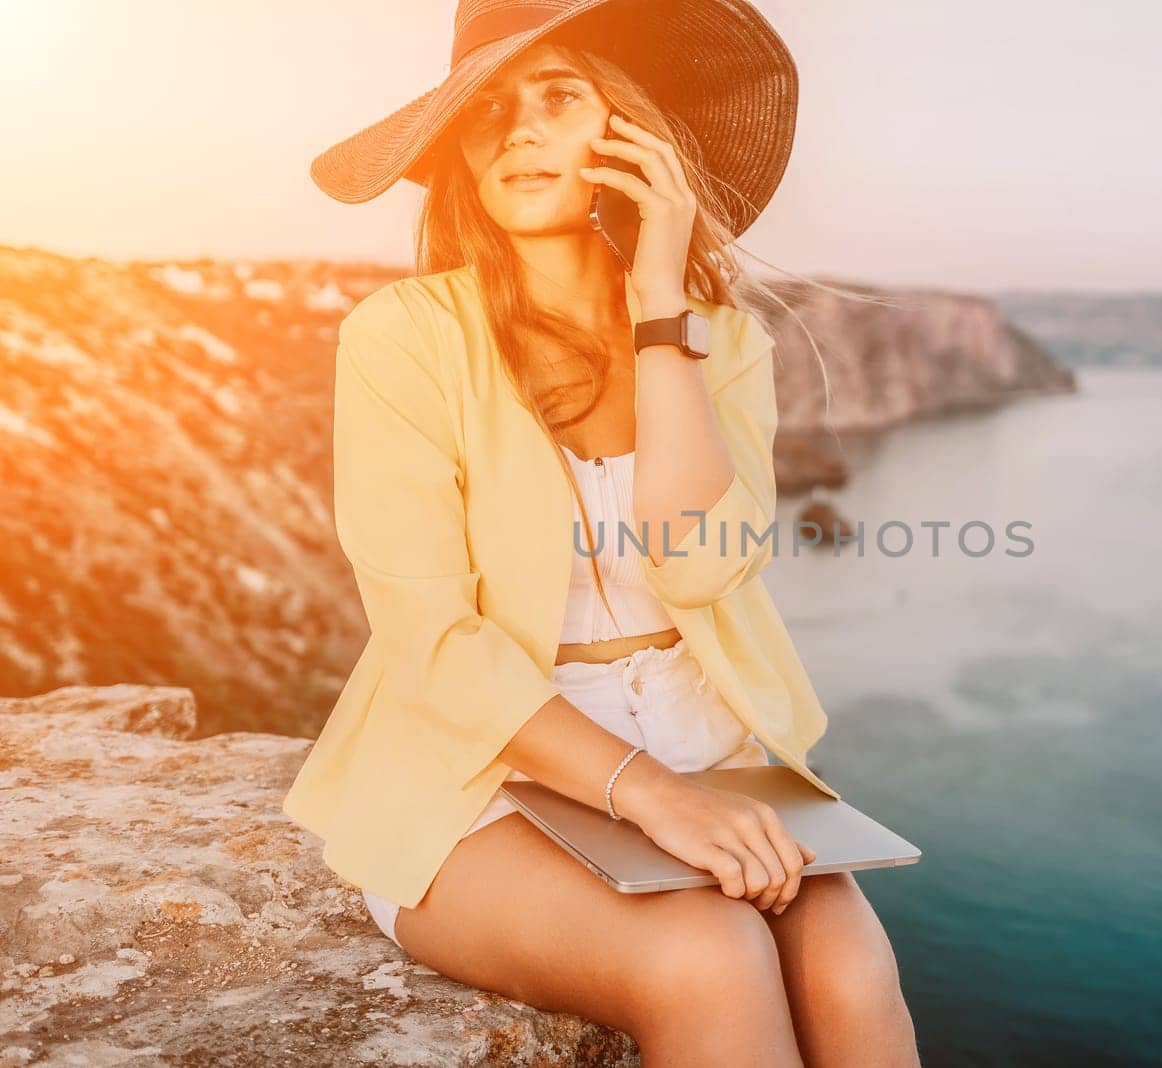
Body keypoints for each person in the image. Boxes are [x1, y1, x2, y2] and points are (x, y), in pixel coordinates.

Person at [280, 2, 920, 1063]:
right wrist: (650, 796)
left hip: (702, 744)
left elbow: (696, 562)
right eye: (485, 107)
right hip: (481, 773)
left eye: (558, 95)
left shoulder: (726, 345)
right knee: (707, 956)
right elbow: (432, 638)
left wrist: (663, 307)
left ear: (629, 136)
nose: (517, 129)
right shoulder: (406, 337)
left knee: (851, 975)